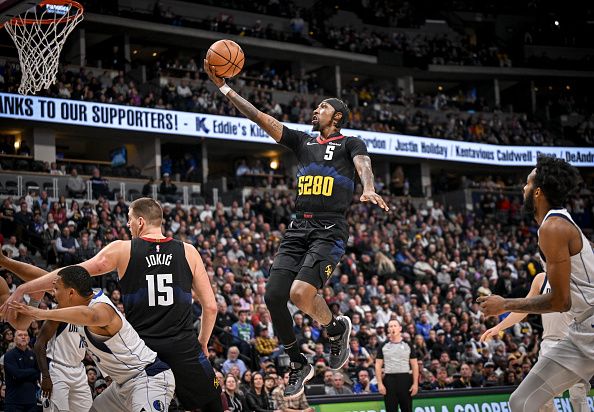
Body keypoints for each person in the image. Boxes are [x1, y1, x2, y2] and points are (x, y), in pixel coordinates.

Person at [204, 58, 389, 399]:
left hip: (329, 229)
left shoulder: (351, 144)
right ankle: (297, 362)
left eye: (323, 107)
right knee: (273, 297)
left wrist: (368, 187)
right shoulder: (303, 142)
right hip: (297, 229)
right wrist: (226, 88)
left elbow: (364, 163)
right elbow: (262, 118)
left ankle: (335, 329)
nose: (315, 109)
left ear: (337, 117)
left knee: (300, 294)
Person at [4, 198, 222, 411]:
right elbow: (211, 307)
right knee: (212, 402)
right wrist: (202, 342)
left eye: (129, 219)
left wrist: (24, 288)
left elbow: (69, 274)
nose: (127, 224)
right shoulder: (189, 251)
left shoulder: (122, 250)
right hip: (182, 347)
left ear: (140, 222)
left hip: (142, 351)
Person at [478, 156, 594, 412]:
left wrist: (504, 303)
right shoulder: (552, 225)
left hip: (589, 327)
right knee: (521, 402)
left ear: (538, 191)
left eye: (527, 183)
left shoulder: (554, 227)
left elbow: (560, 301)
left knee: (575, 401)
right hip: (579, 332)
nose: (523, 188)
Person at [10, 265, 175, 411]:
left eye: (56, 289)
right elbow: (42, 278)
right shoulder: (77, 298)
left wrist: (40, 313)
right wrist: (5, 262)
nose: (52, 293)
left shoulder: (102, 308)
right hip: (120, 386)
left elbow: (91, 315)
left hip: (147, 378)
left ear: (71, 292)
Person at [481, 271, 590, 411]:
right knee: (543, 400)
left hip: (574, 341)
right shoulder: (541, 279)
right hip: (550, 342)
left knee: (578, 395)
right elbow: (523, 309)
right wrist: (499, 327)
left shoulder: (577, 276)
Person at [33, 315, 92, 412]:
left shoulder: (86, 314)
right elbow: (39, 344)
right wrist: (45, 376)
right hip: (57, 369)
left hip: (79, 370)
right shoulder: (59, 313)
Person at [375, 319, 419, 412]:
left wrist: (415, 383)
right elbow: (378, 366)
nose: (393, 328)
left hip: (405, 379)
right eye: (390, 326)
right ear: (388, 330)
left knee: (407, 408)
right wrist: (380, 384)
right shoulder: (383, 346)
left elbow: (415, 365)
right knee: (391, 409)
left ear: (400, 328)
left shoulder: (408, 344)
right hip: (389, 380)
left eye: (395, 326)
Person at [3, 329, 39, 412]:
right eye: (20, 335)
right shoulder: (9, 355)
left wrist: (24, 373)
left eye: (25, 335)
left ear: (29, 339)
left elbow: (37, 373)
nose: (23, 337)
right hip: (14, 401)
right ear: (14, 339)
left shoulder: (33, 354)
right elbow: (17, 374)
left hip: (31, 401)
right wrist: (32, 371)